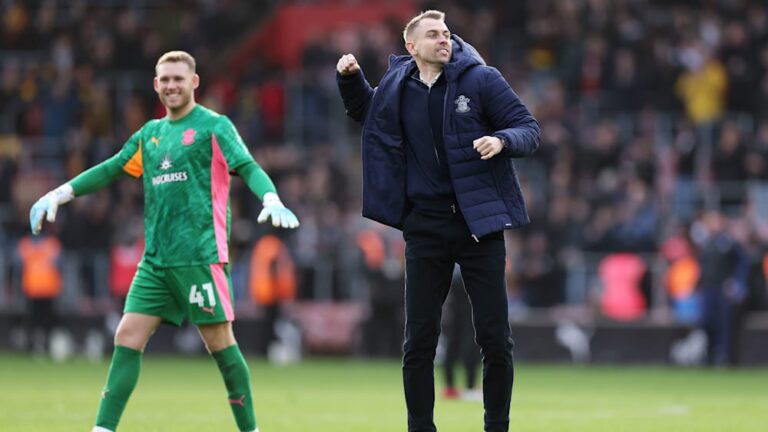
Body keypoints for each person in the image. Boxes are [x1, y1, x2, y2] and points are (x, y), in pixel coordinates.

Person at [29, 50, 299, 432]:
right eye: (165, 80)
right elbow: (111, 169)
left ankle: (250, 429)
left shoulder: (213, 126)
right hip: (155, 260)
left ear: (194, 82)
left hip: (199, 255)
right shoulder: (150, 134)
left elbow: (248, 166)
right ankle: (103, 429)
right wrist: (60, 193)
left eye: (178, 78)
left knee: (221, 346)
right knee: (126, 335)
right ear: (156, 85)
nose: (172, 85)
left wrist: (270, 197)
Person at [336, 10, 539, 432]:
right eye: (432, 34)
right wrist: (351, 80)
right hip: (425, 225)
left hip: (477, 224)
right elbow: (368, 115)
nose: (444, 39)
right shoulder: (396, 85)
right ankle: (420, 427)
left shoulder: (481, 79)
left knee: (495, 339)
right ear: (411, 47)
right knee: (419, 341)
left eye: (446, 33)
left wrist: (502, 139)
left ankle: (496, 425)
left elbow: (528, 128)